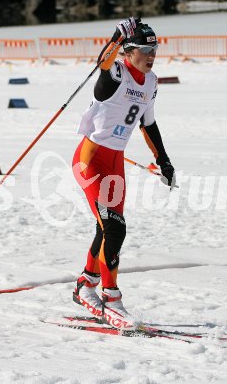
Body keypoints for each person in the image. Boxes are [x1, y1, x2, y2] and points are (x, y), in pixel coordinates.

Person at [71, 17, 175, 329]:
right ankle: (110, 298)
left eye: (154, 48)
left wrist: (164, 160)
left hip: (116, 162)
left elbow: (149, 123)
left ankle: (85, 285)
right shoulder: (116, 71)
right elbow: (101, 63)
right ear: (128, 52)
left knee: (107, 228)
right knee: (115, 228)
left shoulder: (152, 81)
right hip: (90, 159)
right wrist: (116, 36)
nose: (151, 53)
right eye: (145, 48)